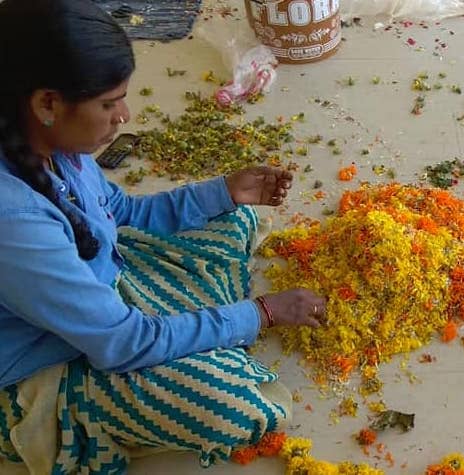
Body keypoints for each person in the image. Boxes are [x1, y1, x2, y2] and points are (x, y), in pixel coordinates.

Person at [0, 0, 326, 472]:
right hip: (45, 362)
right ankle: (57, 419)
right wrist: (264, 312)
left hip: (98, 295)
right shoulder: (13, 220)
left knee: (233, 218)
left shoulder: (47, 140)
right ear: (47, 103)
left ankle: (197, 324)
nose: (125, 117)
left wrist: (222, 192)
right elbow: (122, 344)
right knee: (237, 405)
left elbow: (119, 212)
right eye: (110, 104)